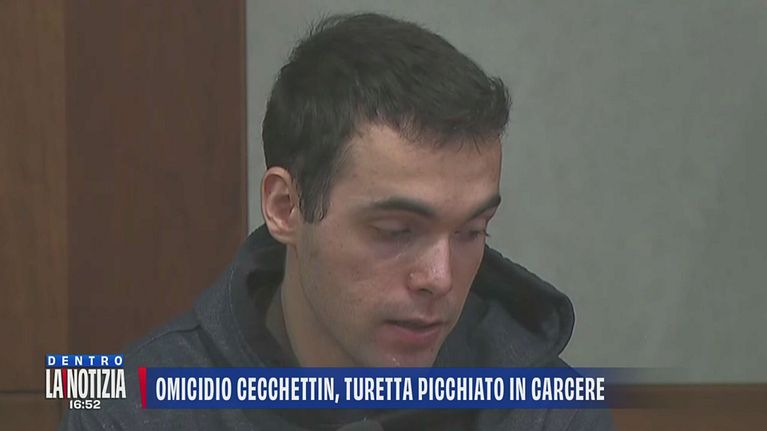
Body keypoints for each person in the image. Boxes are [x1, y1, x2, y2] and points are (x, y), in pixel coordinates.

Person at [61, 12, 614, 431]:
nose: (440, 278)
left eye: (472, 232)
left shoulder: (546, 411)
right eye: (396, 232)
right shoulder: (129, 410)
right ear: (286, 207)